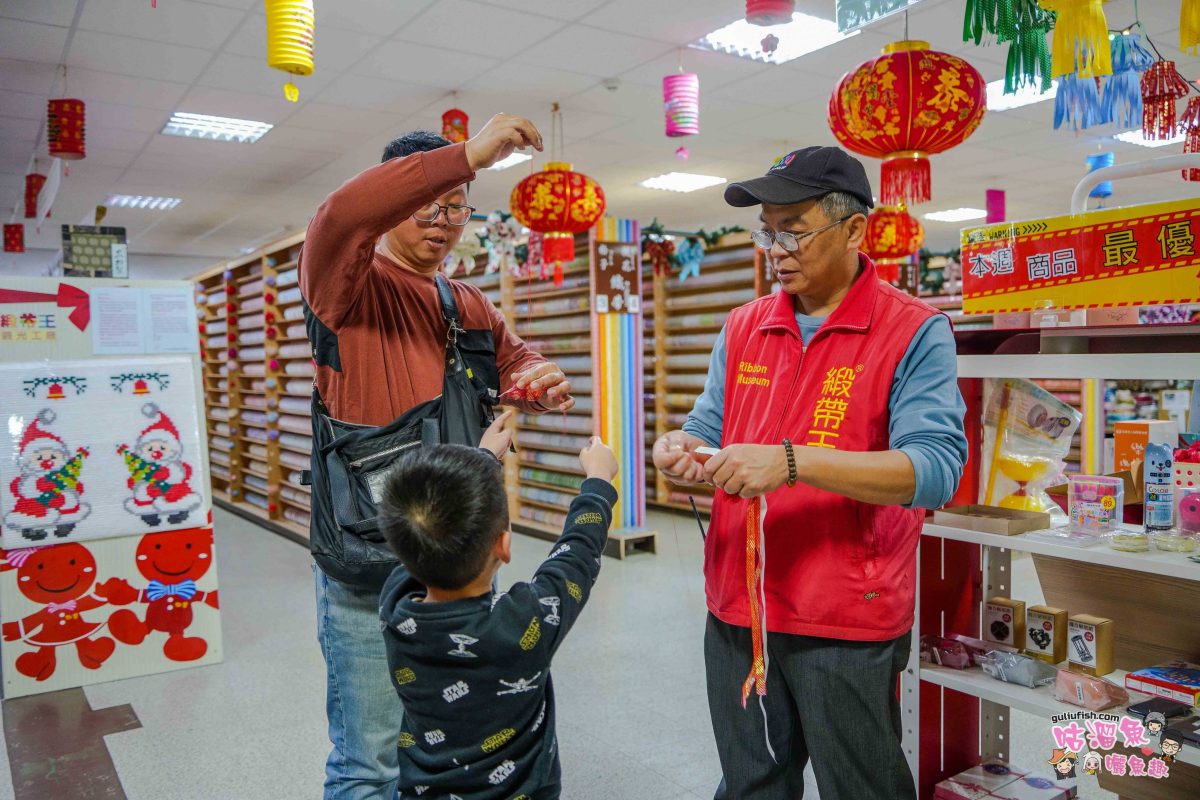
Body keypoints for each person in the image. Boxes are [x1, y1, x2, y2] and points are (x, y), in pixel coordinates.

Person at [652, 146, 967, 800]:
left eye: (794, 228)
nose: (777, 246)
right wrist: (682, 450)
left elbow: (936, 470)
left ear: (855, 230)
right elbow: (707, 427)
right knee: (751, 784)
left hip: (844, 617)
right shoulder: (743, 327)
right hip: (738, 610)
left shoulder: (913, 331)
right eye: (768, 230)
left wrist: (792, 463)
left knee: (861, 786)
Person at [298, 114, 576, 800]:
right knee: (369, 762)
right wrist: (469, 154)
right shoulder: (346, 285)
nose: (444, 219)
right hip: (370, 564)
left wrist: (539, 380)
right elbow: (341, 216)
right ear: (395, 201)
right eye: (428, 203)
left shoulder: (468, 302)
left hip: (460, 568)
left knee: (451, 756)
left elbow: (517, 362)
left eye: (456, 206)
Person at [377, 438, 619, 799]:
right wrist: (599, 479)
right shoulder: (524, 622)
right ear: (503, 546)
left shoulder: (395, 609)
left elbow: (422, 535)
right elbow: (577, 556)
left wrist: (484, 458)